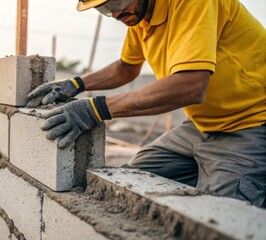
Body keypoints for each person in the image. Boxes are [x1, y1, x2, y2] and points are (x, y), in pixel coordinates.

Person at [27, 0, 266, 208]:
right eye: (104, 9)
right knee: (126, 184)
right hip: (200, 126)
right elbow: (126, 68)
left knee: (221, 219)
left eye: (117, 2)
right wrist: (75, 84)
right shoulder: (140, 16)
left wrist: (95, 109)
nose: (115, 14)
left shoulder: (193, 2)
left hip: (251, 123)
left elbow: (191, 86)